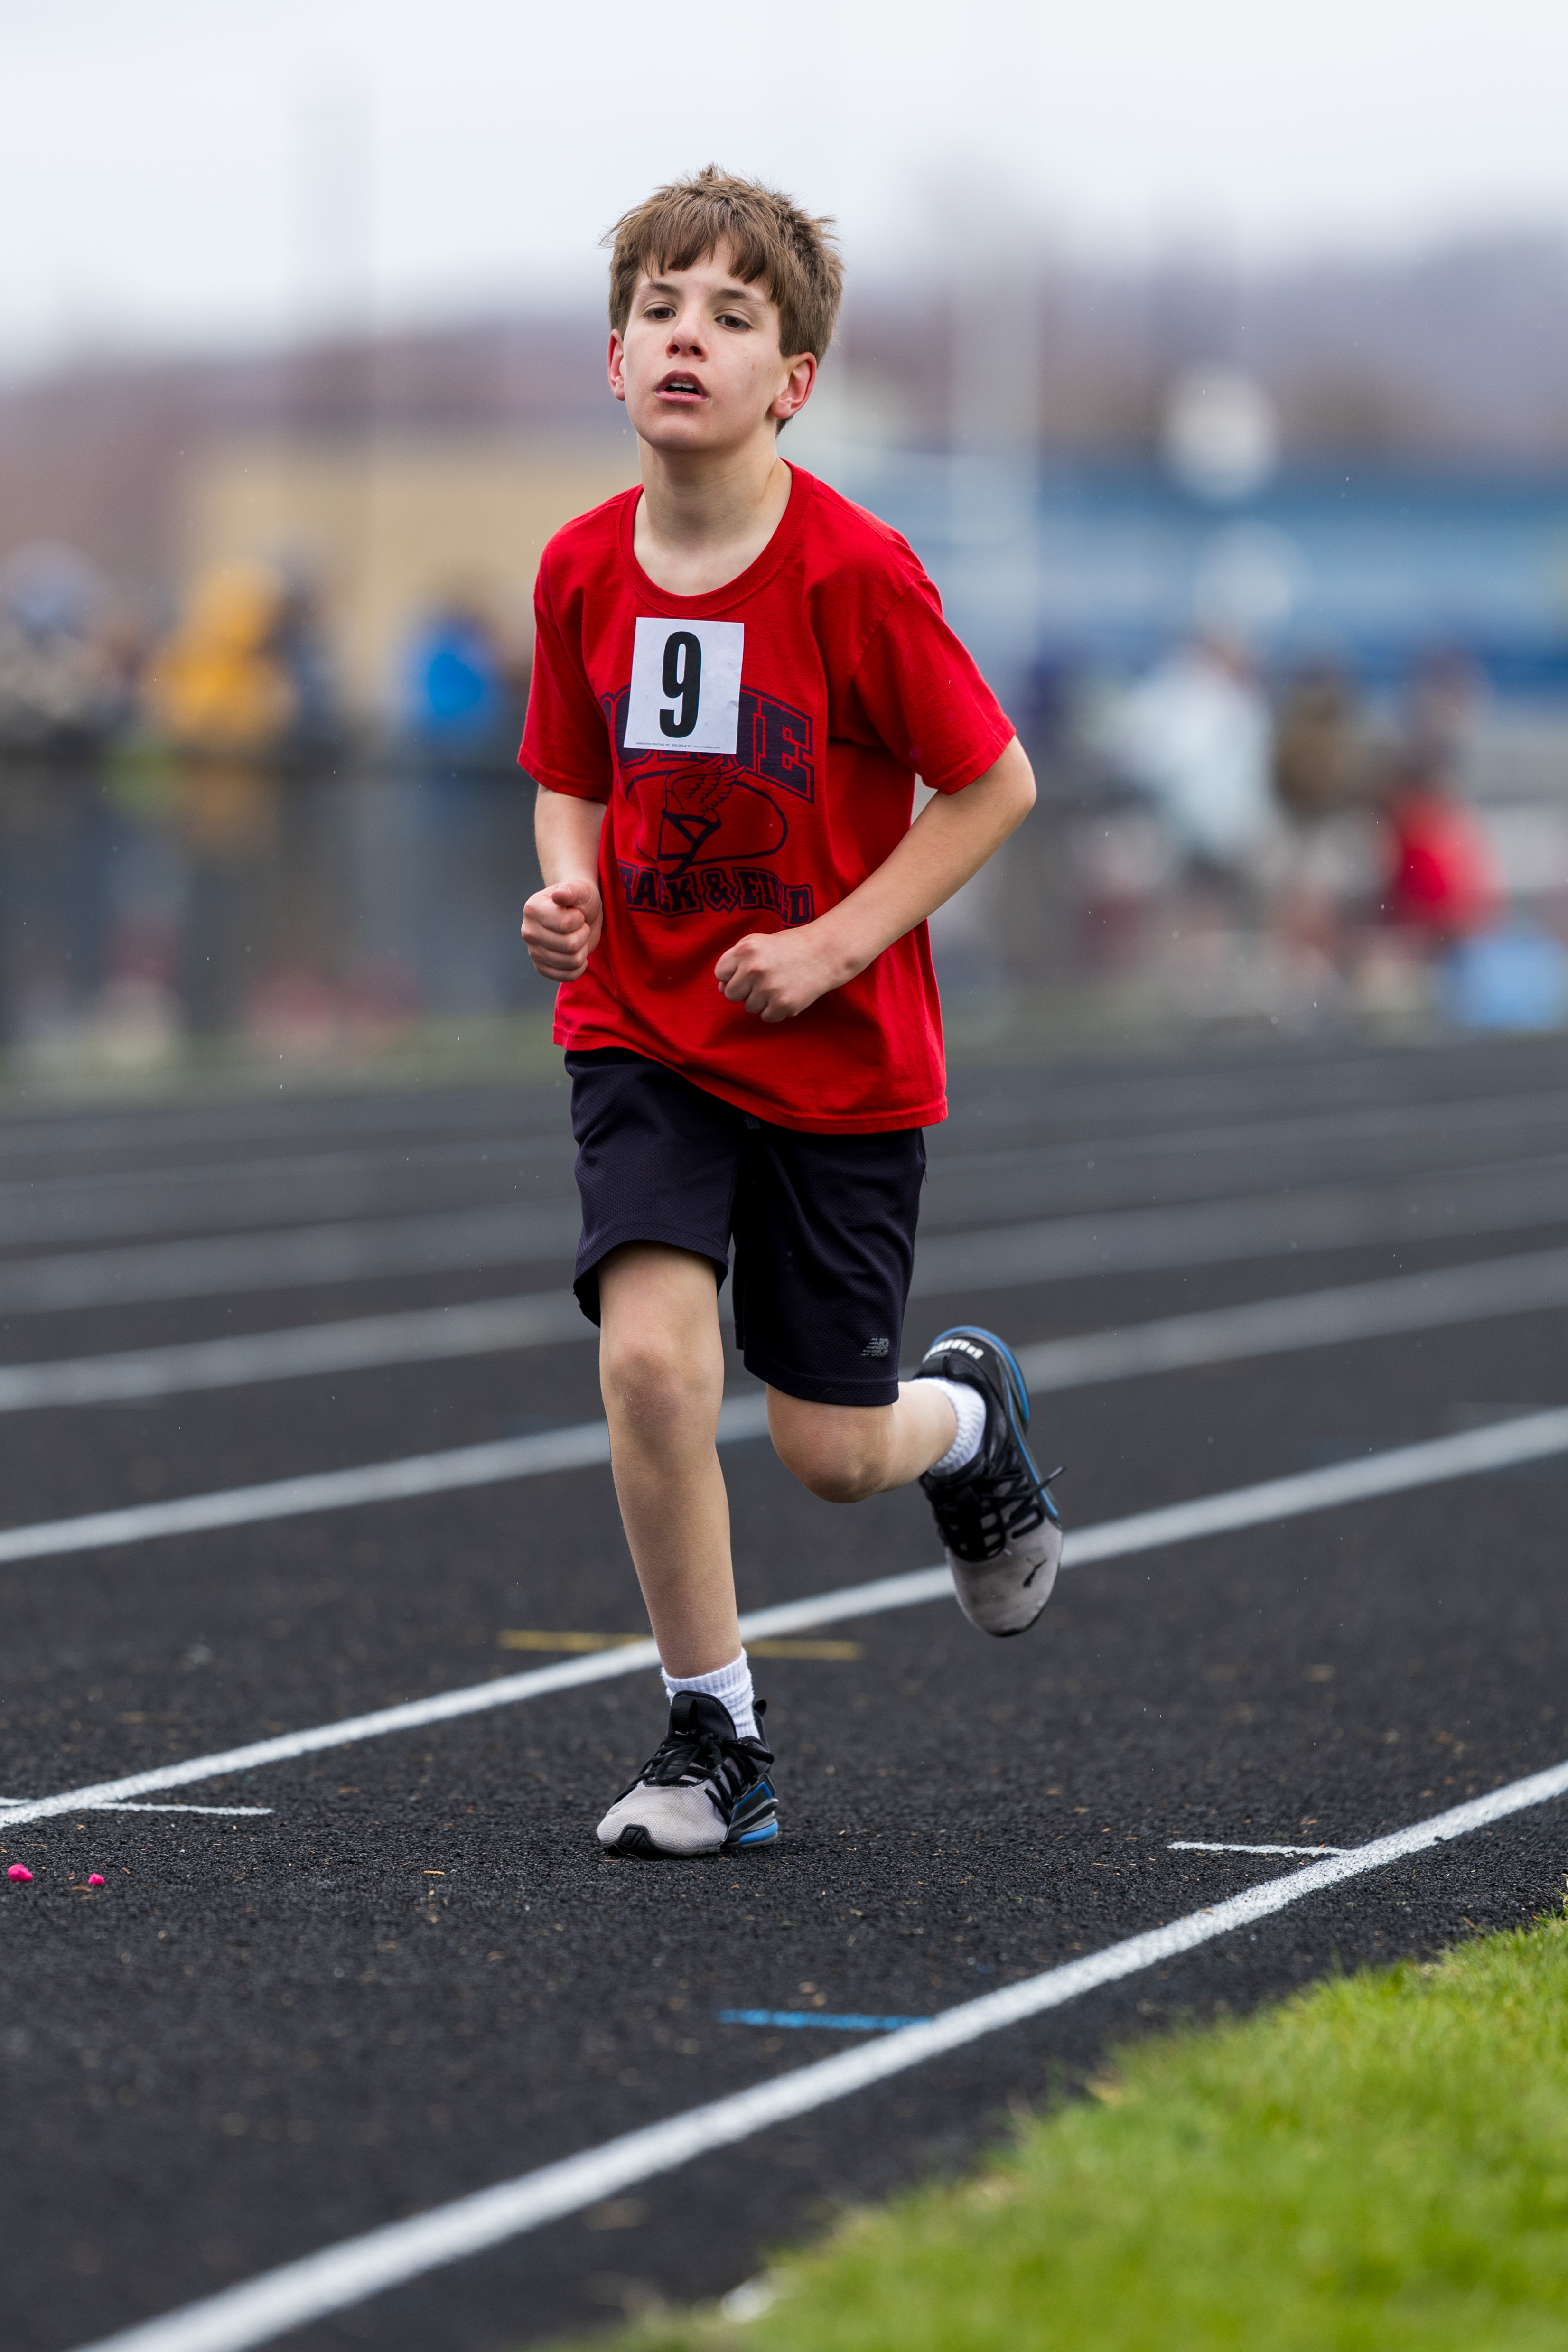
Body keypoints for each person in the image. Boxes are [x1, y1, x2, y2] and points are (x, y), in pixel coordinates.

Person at [518, 168, 1061, 1862]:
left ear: (793, 380)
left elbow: (993, 784)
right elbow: (568, 772)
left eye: (731, 316)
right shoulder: (579, 567)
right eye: (660, 309)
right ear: (616, 357)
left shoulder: (854, 573)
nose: (689, 337)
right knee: (651, 1364)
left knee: (829, 1448)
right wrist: (569, 887)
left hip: (836, 1057)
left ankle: (968, 1422)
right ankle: (717, 1731)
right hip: (646, 1030)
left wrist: (832, 944)